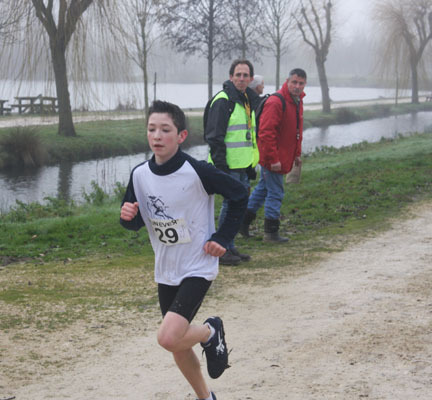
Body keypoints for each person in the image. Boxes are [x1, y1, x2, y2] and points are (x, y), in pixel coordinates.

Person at [120, 100, 248, 400]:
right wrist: (127, 217)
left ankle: (210, 331)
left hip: (197, 265)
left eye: (165, 130)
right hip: (167, 267)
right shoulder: (139, 174)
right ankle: (207, 397)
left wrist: (223, 237)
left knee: (169, 337)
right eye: (152, 129)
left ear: (181, 136)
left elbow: (239, 194)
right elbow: (136, 220)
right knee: (178, 343)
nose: (157, 136)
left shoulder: (197, 171)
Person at [240, 68, 307, 243]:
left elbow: (296, 131)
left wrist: (297, 154)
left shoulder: (297, 101)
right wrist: (273, 159)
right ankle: (271, 233)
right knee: (276, 192)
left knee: (263, 189)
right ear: (287, 81)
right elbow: (266, 133)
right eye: (294, 82)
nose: (297, 86)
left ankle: (242, 223)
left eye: (301, 83)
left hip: (283, 156)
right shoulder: (276, 102)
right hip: (273, 158)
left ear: (305, 84)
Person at [204, 59, 259, 265]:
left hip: (242, 165)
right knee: (229, 206)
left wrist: (251, 165)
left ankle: (230, 245)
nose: (241, 79)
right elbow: (214, 136)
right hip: (227, 166)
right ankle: (222, 248)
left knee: (238, 206)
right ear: (231, 77)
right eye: (238, 75)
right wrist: (221, 167)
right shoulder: (223, 101)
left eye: (245, 75)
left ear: (251, 78)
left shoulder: (246, 100)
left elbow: (248, 135)